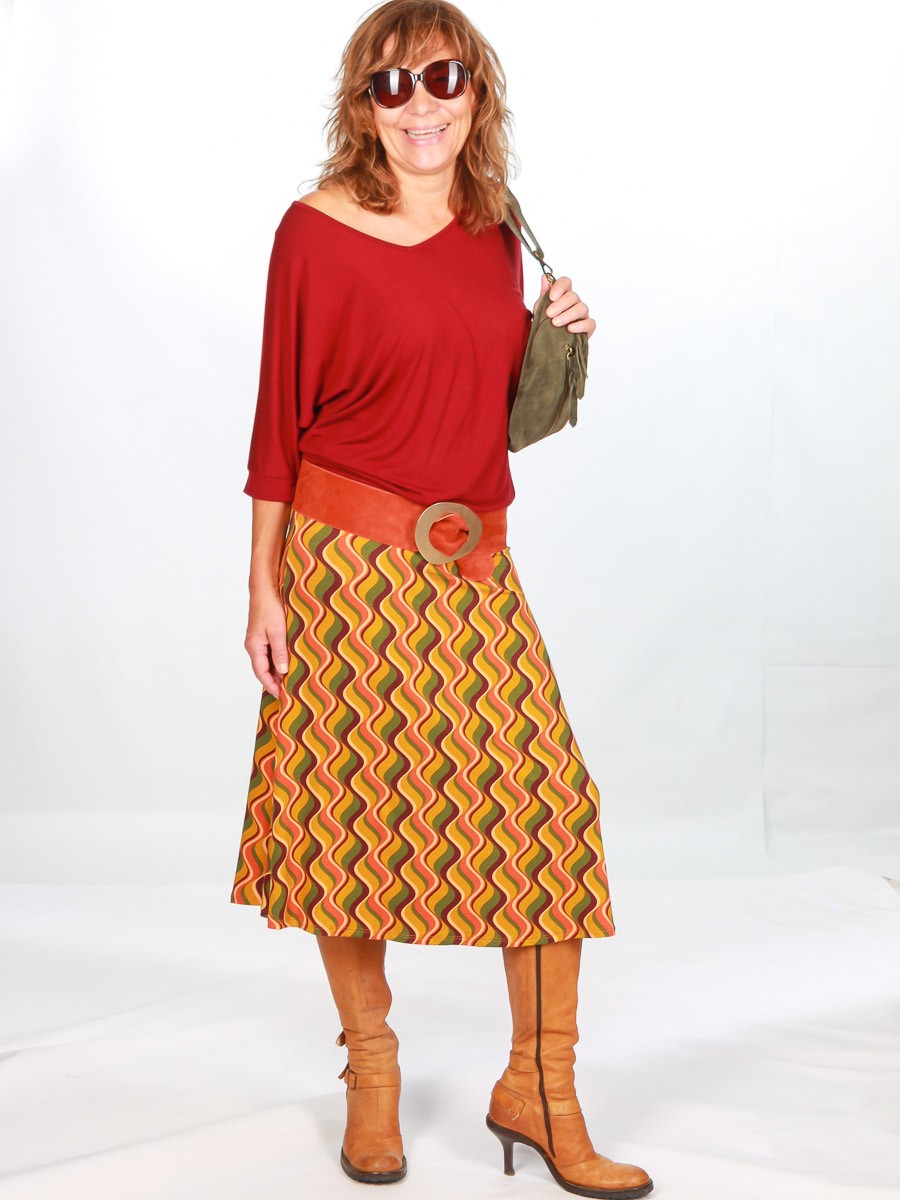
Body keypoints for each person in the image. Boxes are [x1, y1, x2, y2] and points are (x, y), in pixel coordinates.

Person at [230, 2, 653, 1196]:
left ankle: (541, 1090)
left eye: (443, 78)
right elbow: (277, 422)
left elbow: (487, 411)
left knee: (548, 807)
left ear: (478, 92)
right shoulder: (313, 231)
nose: (421, 105)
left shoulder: (495, 228)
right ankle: (371, 1071)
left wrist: (552, 338)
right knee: (349, 810)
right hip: (344, 564)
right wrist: (262, 583)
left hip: (471, 564)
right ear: (363, 107)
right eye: (392, 85)